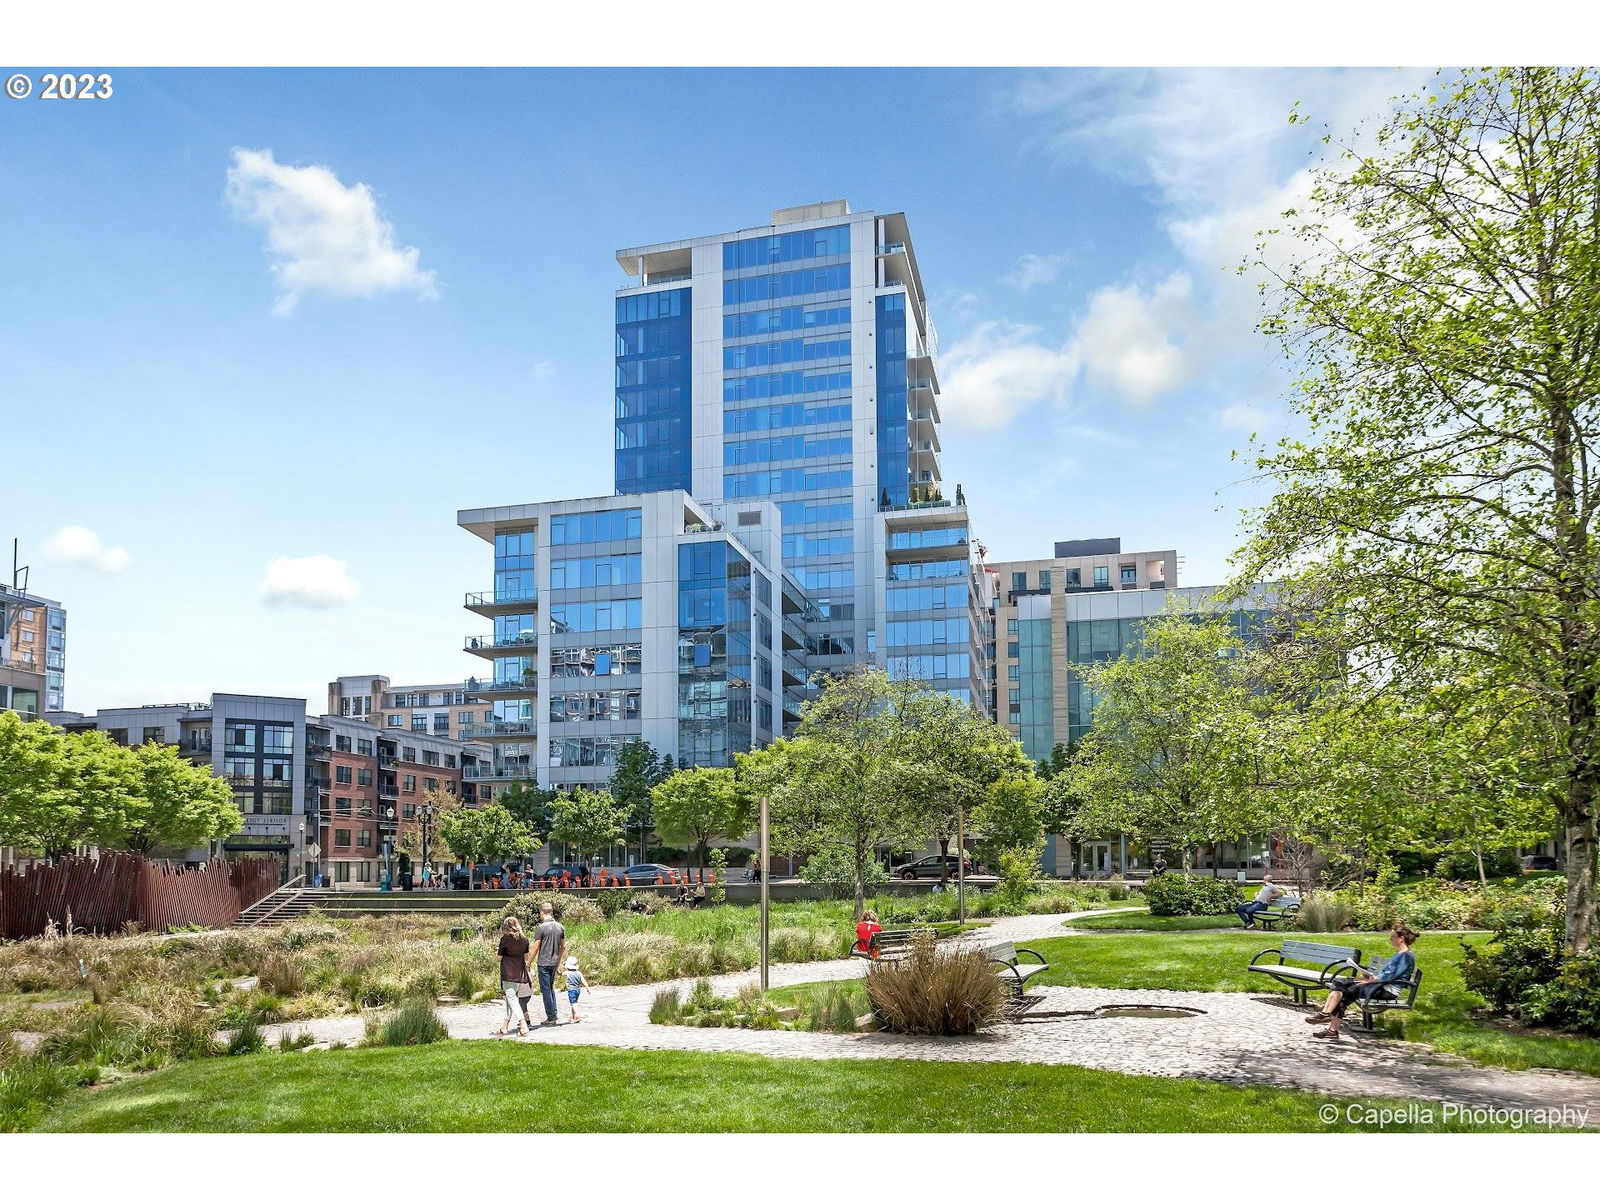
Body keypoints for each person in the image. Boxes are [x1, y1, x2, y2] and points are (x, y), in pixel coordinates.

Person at [1307, 925, 1419, 1040]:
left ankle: (1327, 1018)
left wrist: (1370, 980)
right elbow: (1387, 974)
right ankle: (1328, 1019)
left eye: (1392, 937)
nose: (1390, 939)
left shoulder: (1406, 957)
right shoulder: (1400, 954)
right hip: (1379, 985)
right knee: (1339, 982)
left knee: (1346, 990)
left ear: (1401, 938)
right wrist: (1370, 976)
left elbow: (1390, 976)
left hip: (1386, 991)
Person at [531, 901, 567, 1025]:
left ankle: (551, 1017)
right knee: (551, 988)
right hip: (554, 962)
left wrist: (528, 963)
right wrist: (558, 962)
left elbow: (536, 947)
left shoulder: (541, 928)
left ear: (541, 912)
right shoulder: (560, 927)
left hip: (543, 962)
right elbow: (563, 946)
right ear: (551, 912)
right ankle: (553, 1014)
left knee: (545, 990)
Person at [495, 916, 532, 1037]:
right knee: (510, 998)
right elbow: (526, 958)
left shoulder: (505, 939)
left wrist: (496, 954)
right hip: (519, 973)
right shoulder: (525, 939)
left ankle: (523, 1025)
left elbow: (499, 958)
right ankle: (504, 1026)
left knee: (512, 999)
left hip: (507, 972)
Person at [564, 954, 589, 1022]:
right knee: (574, 1003)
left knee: (573, 1003)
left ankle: (577, 1015)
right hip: (578, 990)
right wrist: (587, 987)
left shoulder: (567, 972)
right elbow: (583, 980)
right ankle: (573, 1017)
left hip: (571, 990)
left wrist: (557, 968)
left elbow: (559, 974)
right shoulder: (579, 972)